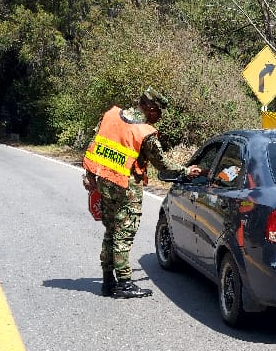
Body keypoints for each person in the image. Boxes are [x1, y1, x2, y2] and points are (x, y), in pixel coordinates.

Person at [82, 88, 202, 298]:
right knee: (123, 234)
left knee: (110, 232)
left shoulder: (111, 116)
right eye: (158, 112)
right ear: (150, 108)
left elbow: (94, 145)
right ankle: (124, 284)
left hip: (105, 182)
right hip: (126, 188)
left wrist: (89, 174)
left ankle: (108, 281)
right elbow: (162, 164)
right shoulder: (144, 132)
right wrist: (186, 171)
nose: (159, 117)